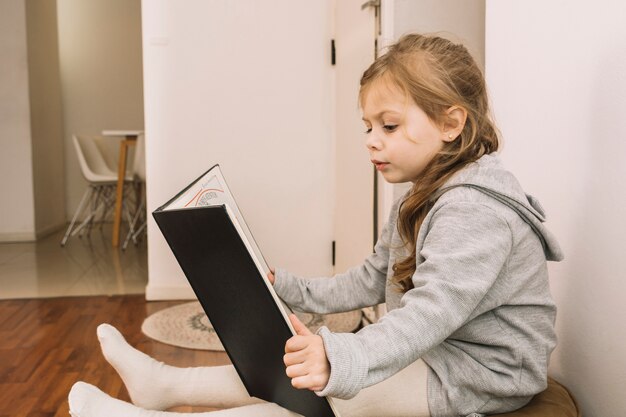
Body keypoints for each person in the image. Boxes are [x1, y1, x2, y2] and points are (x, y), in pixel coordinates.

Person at [68, 33, 563, 417]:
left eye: (388, 126)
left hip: (483, 375)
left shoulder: (475, 211)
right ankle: (166, 385)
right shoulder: (419, 196)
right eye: (367, 127)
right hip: (442, 355)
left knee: (320, 398)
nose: (372, 140)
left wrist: (344, 357)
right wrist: (288, 288)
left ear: (452, 124)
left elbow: (429, 314)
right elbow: (373, 278)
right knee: (293, 365)